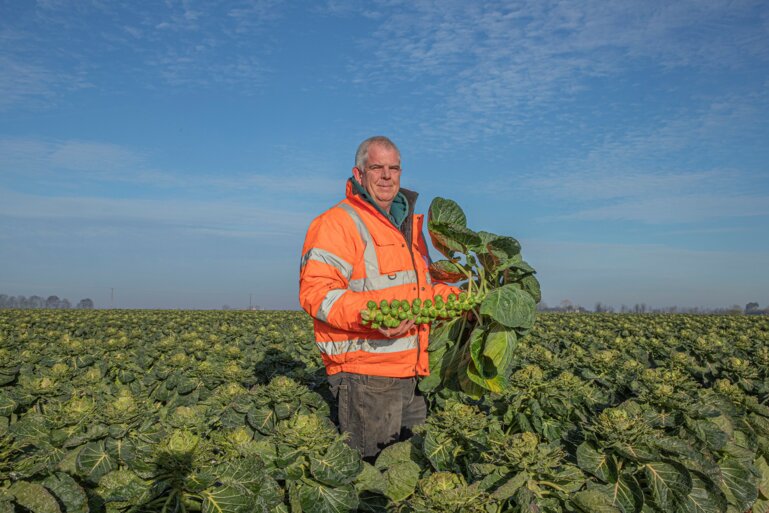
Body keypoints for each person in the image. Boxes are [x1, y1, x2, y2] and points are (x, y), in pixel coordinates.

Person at [298, 135, 458, 460]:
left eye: (393, 168)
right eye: (377, 168)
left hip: (412, 375)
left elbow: (422, 293)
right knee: (371, 479)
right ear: (359, 175)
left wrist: (463, 301)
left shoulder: (408, 228)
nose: (386, 175)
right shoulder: (337, 223)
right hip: (366, 377)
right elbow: (317, 292)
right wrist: (374, 314)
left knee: (408, 474)